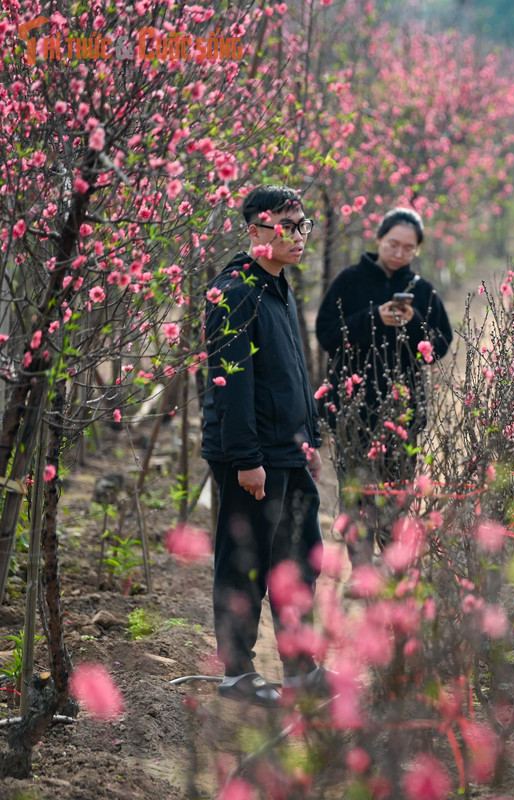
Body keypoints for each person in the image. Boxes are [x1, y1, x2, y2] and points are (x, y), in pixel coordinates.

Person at [201, 185, 325, 706]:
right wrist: (247, 460)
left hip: (288, 449)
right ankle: (237, 675)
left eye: (303, 226)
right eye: (287, 227)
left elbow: (293, 371)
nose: (298, 238)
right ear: (256, 230)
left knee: (299, 562)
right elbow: (232, 386)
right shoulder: (236, 293)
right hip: (253, 456)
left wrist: (309, 440)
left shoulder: (277, 285)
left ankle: (300, 668)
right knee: (245, 563)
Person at [315, 208, 453, 559]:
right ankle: (361, 571)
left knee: (396, 495)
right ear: (379, 239)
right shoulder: (348, 281)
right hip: (351, 411)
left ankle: (393, 569)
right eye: (393, 244)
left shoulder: (421, 290)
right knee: (355, 494)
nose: (399, 253)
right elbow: (327, 334)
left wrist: (413, 322)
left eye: (409, 248)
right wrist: (372, 318)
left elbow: (439, 345)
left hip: (402, 412)